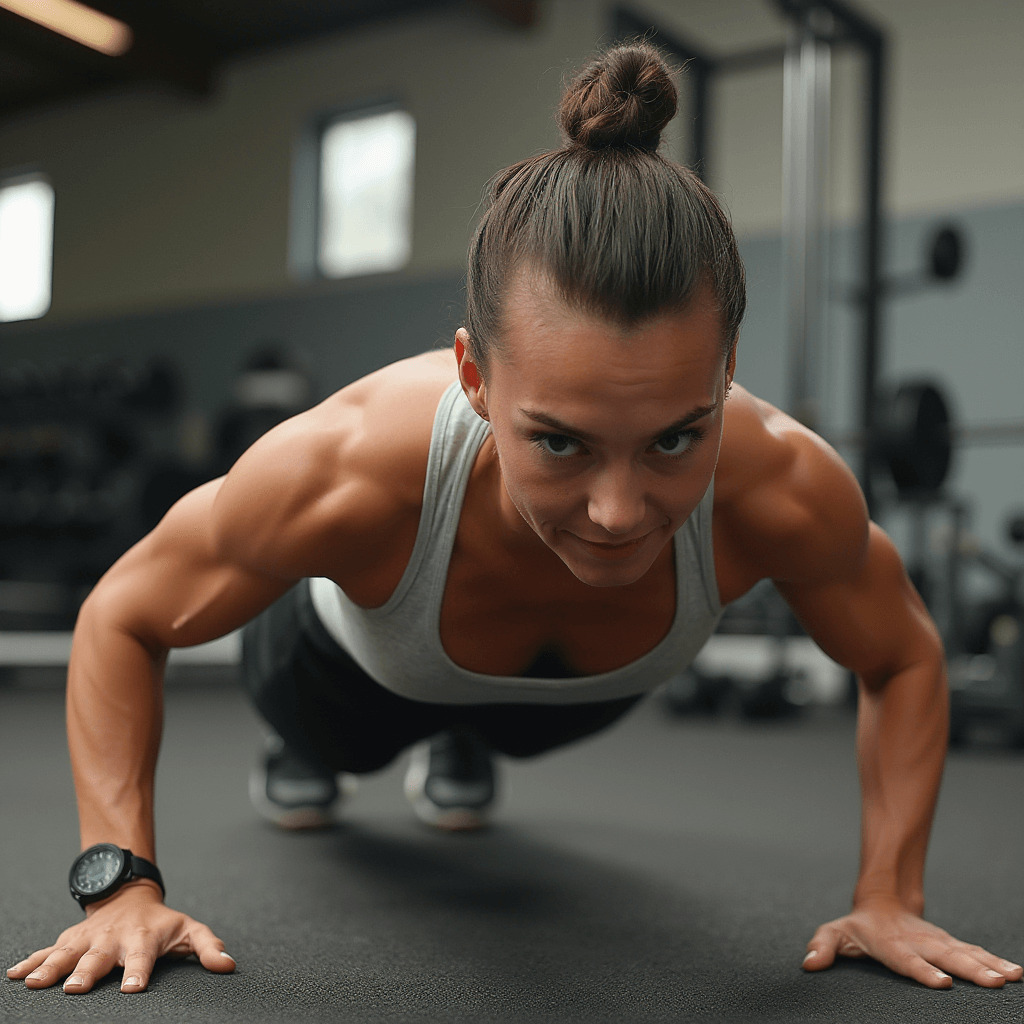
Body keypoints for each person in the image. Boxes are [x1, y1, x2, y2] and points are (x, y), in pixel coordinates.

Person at [7, 42, 1021, 999]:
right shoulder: (348, 463)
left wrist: (889, 896)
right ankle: (318, 748)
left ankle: (468, 738)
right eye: (561, 442)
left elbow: (901, 656)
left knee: (514, 717)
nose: (621, 513)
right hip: (345, 675)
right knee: (331, 744)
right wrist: (119, 885)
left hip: (564, 701)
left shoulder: (785, 484)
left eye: (675, 438)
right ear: (474, 377)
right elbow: (124, 615)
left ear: (725, 377)